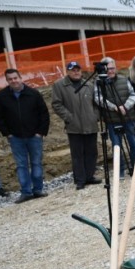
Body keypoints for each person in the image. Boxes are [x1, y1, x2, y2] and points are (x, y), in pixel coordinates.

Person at [0, 69, 50, 204]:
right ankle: (26, 192)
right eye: (10, 79)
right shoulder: (2, 96)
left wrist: (40, 132)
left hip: (34, 136)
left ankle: (38, 189)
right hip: (16, 138)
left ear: (21, 78)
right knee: (21, 165)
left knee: (36, 162)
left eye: (15, 78)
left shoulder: (33, 94)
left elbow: (44, 114)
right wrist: (8, 134)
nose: (13, 81)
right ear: (7, 81)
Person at [50, 61, 100, 190]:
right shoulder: (59, 85)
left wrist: (95, 116)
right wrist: (69, 117)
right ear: (68, 71)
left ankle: (90, 176)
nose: (76, 72)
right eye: (73, 70)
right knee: (77, 154)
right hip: (74, 127)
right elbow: (56, 104)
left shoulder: (89, 84)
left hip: (90, 124)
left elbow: (96, 103)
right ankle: (80, 180)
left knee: (91, 152)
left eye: (78, 69)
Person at [93, 57, 135, 178]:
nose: (110, 71)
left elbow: (133, 95)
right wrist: (114, 107)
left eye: (112, 68)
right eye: (108, 69)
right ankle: (120, 171)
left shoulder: (124, 79)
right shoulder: (99, 82)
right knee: (117, 146)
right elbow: (98, 98)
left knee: (134, 144)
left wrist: (125, 106)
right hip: (112, 120)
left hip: (128, 117)